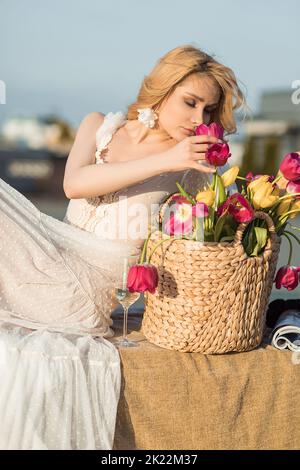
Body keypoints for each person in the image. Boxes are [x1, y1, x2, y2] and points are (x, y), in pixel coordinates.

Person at [0, 44, 246, 449]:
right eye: (190, 103)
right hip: (51, 255)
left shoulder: (195, 169)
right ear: (162, 90)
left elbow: (230, 235)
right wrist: (165, 158)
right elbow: (74, 184)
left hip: (85, 296)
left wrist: (178, 163)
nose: (198, 119)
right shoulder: (99, 125)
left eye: (208, 110)